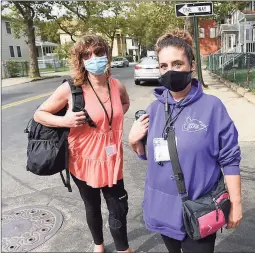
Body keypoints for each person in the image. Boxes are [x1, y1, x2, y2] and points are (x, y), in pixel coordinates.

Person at [128, 30, 243, 253]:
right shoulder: (154, 109)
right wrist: (135, 143)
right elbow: (151, 155)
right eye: (164, 65)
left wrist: (236, 204)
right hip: (162, 208)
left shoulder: (212, 108)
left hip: (199, 209)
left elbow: (230, 159)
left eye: (177, 64)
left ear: (191, 65)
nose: (170, 71)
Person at [34, 35, 132, 253]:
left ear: (107, 55)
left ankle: (123, 249)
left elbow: (125, 103)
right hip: (83, 160)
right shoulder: (71, 89)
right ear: (80, 60)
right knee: (92, 206)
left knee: (117, 206)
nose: (93, 58)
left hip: (112, 157)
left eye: (98, 53)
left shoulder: (116, 85)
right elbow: (39, 114)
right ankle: (98, 245)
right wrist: (64, 121)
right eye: (86, 54)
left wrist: (112, 122)